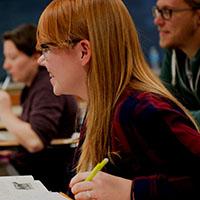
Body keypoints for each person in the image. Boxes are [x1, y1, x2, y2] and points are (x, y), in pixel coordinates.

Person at [36, 0, 200, 199]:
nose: (41, 60)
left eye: (46, 48)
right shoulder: (102, 108)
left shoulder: (141, 110)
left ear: (83, 51)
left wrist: (131, 191)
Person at [0, 24, 78, 192]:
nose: (6, 65)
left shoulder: (47, 86)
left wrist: (4, 113)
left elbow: (35, 141)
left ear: (35, 57)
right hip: (32, 173)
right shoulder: (31, 87)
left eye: (12, 57)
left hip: (45, 182)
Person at [153, 0, 200, 126]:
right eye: (157, 11)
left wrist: (173, 115)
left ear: (198, 16)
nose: (157, 21)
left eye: (167, 11)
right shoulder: (174, 51)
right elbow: (160, 107)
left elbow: (164, 115)